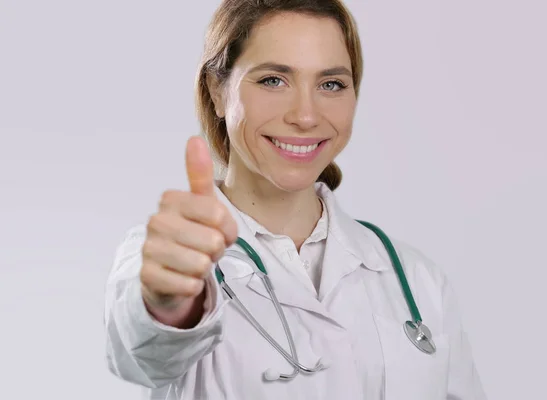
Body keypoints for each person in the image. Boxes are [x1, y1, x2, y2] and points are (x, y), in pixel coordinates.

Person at [104, 0, 487, 399]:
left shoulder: (417, 279)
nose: (306, 115)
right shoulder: (166, 254)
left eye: (331, 84)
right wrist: (171, 304)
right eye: (273, 80)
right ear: (217, 91)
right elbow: (144, 353)